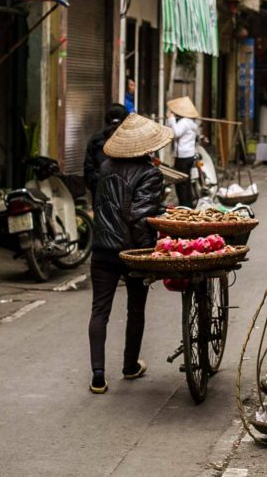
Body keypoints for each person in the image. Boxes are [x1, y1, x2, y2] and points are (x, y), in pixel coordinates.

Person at [89, 113, 173, 394]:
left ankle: (98, 376)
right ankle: (129, 366)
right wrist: (150, 251)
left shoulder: (104, 167)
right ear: (147, 146)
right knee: (135, 308)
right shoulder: (150, 173)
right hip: (131, 250)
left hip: (101, 247)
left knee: (100, 310)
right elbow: (138, 216)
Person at [83, 104, 129, 202]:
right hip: (122, 189)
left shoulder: (95, 139)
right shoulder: (129, 138)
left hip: (99, 186)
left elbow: (88, 166)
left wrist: (93, 184)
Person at [166, 96, 200, 208]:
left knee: (181, 182)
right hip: (188, 154)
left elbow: (176, 133)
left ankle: (184, 204)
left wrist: (171, 119)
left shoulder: (185, 122)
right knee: (186, 181)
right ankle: (187, 204)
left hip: (183, 156)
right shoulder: (190, 122)